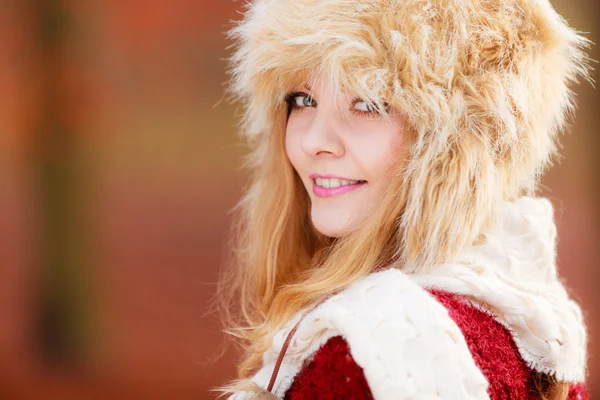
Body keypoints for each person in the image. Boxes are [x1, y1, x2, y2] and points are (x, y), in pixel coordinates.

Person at [212, 0, 593, 398]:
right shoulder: (524, 310)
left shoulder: (367, 354)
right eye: (303, 99)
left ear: (455, 143)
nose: (313, 142)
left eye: (367, 103)